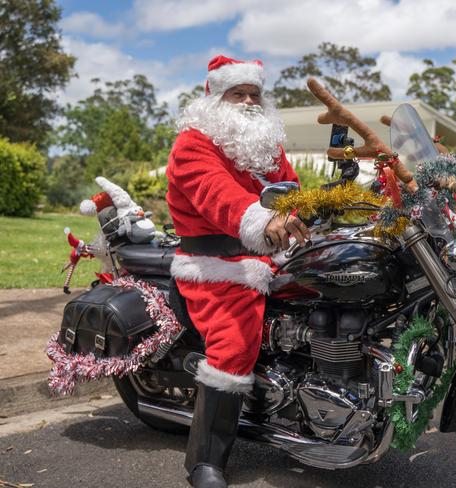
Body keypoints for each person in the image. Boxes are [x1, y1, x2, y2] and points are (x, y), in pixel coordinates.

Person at [166, 55, 310, 488]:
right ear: (215, 97)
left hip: (273, 257)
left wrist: (318, 215)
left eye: (254, 94)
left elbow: (294, 193)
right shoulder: (193, 144)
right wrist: (264, 223)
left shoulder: (268, 150)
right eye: (238, 93)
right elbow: (218, 195)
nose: (248, 102)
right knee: (235, 339)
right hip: (218, 264)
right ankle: (205, 461)